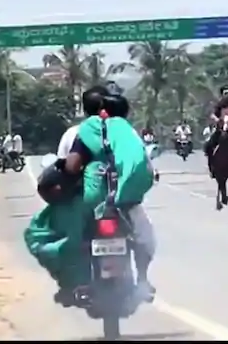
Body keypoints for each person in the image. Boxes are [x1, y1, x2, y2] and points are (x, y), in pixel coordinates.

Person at [63, 85, 157, 300]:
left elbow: (68, 165)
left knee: (73, 236)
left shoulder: (79, 132)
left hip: (90, 201)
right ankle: (142, 280)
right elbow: (142, 162)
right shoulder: (127, 130)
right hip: (125, 201)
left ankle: (81, 281)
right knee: (145, 238)